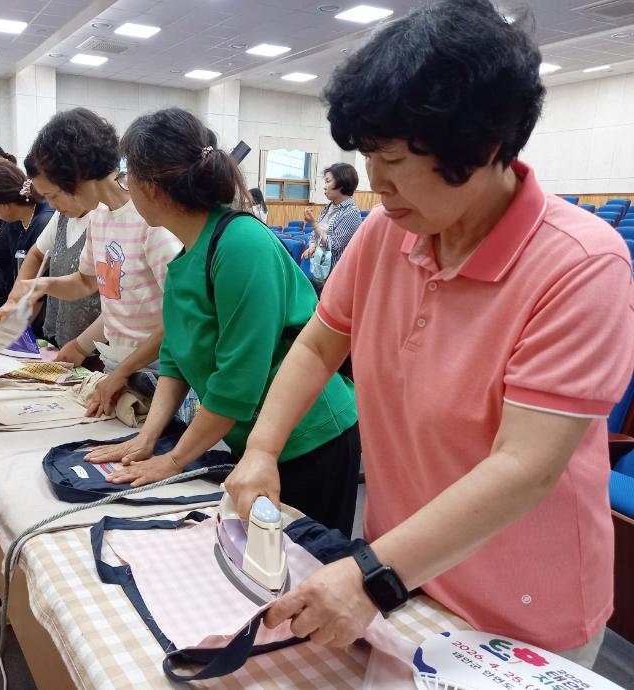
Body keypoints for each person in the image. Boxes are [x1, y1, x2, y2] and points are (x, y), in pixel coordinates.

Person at [229, 0, 633, 667]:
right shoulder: (389, 233)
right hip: (404, 567)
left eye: (392, 160)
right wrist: (262, 450)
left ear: (484, 147)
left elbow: (525, 467)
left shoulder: (582, 263)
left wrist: (372, 572)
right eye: (367, 158)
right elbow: (320, 343)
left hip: (520, 604)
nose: (376, 185)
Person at [83, 108, 360, 533]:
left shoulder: (241, 245)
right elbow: (175, 356)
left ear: (153, 186)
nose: (125, 188)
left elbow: (238, 382)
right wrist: (147, 438)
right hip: (252, 441)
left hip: (310, 439)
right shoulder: (186, 256)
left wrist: (175, 460)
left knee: (300, 568)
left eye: (128, 177)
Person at [16, 108, 183, 415]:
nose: (52, 206)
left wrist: (122, 371)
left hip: (159, 371)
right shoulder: (100, 217)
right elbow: (89, 282)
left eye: (53, 195)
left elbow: (180, 317)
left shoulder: (151, 221)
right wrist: (41, 285)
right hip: (119, 364)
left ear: (78, 177)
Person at [17, 153, 102, 365]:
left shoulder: (102, 218)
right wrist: (16, 299)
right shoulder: (64, 215)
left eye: (53, 196)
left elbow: (117, 302)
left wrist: (81, 346)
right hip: (69, 338)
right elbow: (37, 253)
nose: (51, 205)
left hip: (97, 346)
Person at [0, 156, 55, 332]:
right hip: (24, 311)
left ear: (5, 204)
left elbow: (38, 292)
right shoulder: (13, 221)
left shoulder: (44, 222)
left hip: (41, 318)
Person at [302, 163, 362, 293]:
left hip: (335, 275)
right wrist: (312, 245)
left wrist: (314, 223)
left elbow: (334, 245)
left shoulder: (351, 212)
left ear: (342, 183)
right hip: (320, 268)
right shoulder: (329, 207)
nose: (324, 186)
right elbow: (315, 235)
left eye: (328, 181)